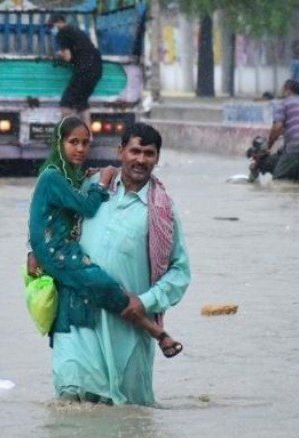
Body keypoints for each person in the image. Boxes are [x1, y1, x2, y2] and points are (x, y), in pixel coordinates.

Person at [46, 122, 191, 405]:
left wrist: (146, 301)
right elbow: (52, 218)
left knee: (125, 410)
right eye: (135, 151)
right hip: (78, 315)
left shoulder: (162, 211)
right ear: (120, 151)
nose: (140, 159)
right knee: (71, 391)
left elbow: (179, 272)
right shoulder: (93, 186)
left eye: (149, 153)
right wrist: (33, 249)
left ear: (157, 158)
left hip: (127, 324)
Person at [47, 14, 103, 125]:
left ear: (58, 22)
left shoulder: (62, 33)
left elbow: (67, 57)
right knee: (81, 102)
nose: (52, 29)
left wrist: (59, 54)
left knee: (66, 101)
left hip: (84, 70)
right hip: (97, 68)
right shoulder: (76, 30)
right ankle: (88, 136)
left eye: (52, 26)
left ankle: (66, 135)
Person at [266, 79, 299, 185]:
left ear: (287, 90)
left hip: (296, 149)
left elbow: (277, 127)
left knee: (278, 181)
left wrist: (268, 146)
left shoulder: (283, 104)